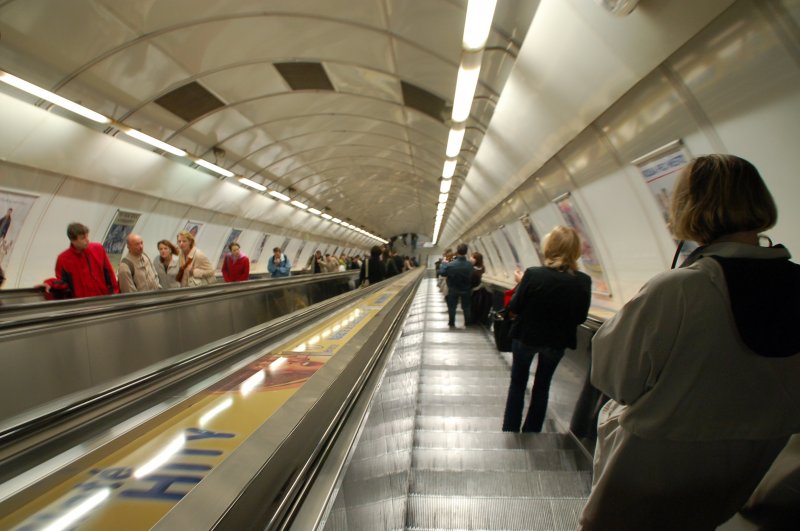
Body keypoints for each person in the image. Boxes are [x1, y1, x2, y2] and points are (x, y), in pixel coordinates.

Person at [579, 155, 800, 530]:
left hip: (650, 472)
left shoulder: (679, 289)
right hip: (749, 476)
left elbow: (614, 377)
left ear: (688, 208)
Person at [502, 226, 591, 432]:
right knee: (542, 387)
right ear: (575, 250)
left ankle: (510, 429)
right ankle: (532, 431)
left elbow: (515, 307)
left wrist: (521, 283)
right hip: (556, 342)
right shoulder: (583, 281)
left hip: (526, 338)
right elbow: (580, 317)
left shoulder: (533, 275)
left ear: (549, 248)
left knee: (518, 383)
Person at [54, 222, 119, 298]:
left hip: (102, 299)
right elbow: (62, 285)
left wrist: (115, 294)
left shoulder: (98, 249)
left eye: (87, 236)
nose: (87, 240)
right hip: (80, 304)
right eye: (82, 238)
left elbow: (109, 274)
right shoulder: (63, 259)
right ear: (73, 240)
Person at [439, 243, 474, 328]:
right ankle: (467, 323)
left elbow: (442, 273)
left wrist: (443, 263)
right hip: (466, 289)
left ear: (457, 251)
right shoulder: (470, 265)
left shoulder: (451, 264)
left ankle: (451, 323)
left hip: (453, 288)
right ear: (466, 252)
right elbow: (472, 276)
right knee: (466, 307)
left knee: (452, 307)